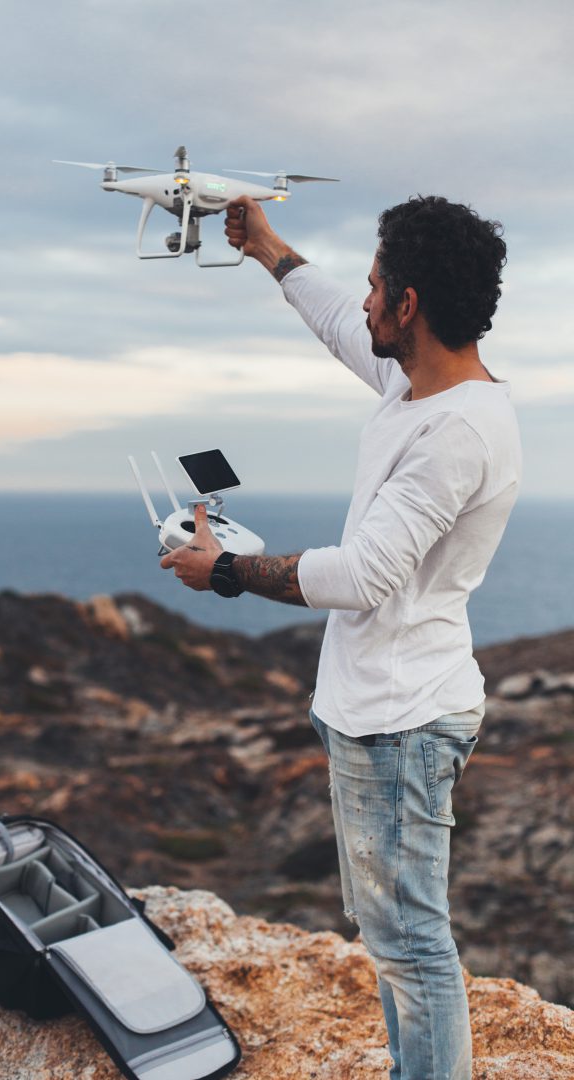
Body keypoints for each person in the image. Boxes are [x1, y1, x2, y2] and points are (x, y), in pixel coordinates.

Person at [160, 193, 521, 1080]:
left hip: (401, 722)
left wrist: (229, 572)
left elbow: (361, 576)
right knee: (391, 933)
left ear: (409, 305)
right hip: (377, 710)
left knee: (412, 943)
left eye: (375, 289)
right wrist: (268, 250)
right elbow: (333, 320)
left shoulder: (455, 433)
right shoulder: (422, 385)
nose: (362, 303)